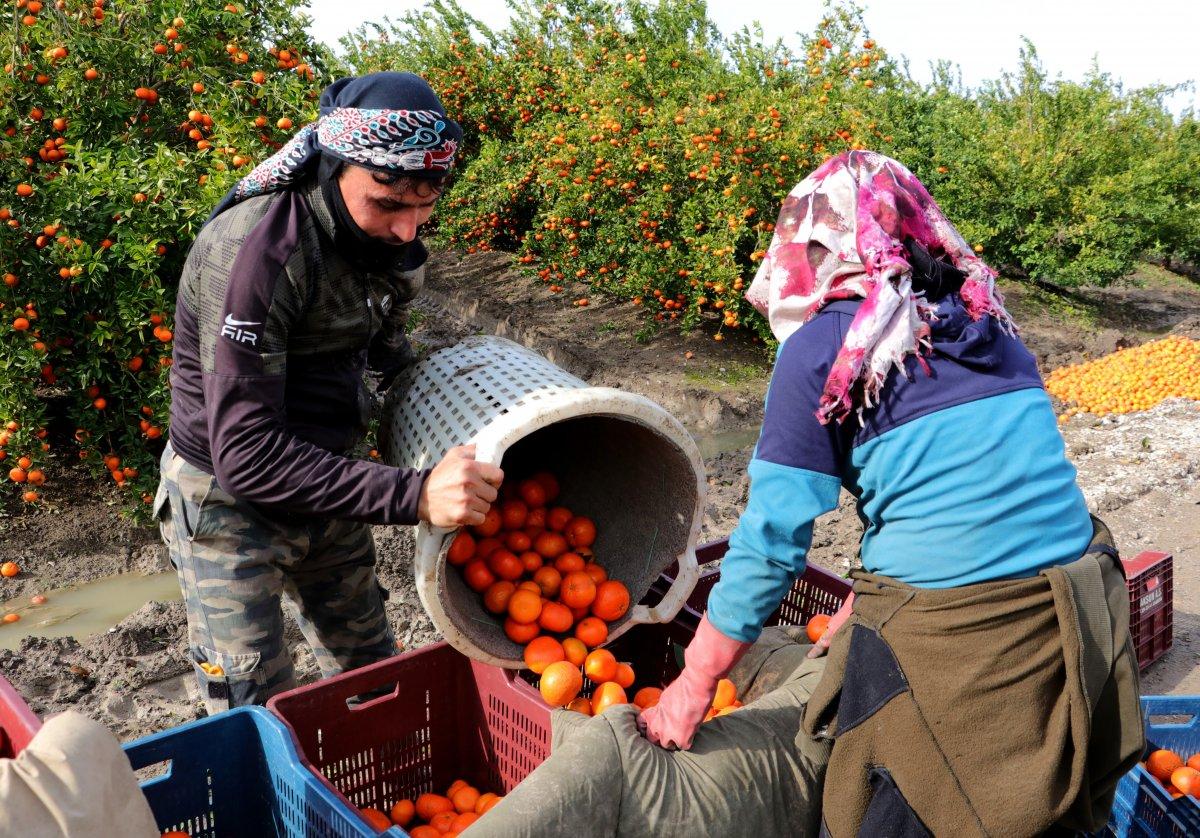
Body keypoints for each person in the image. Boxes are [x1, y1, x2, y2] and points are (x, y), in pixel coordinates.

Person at [640, 150, 1143, 836]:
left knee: (892, 790)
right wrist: (875, 585)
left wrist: (691, 687)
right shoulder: (989, 322)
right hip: (1079, 612)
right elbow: (978, 486)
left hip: (965, 635)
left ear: (808, 245)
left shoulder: (821, 350)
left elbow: (768, 548)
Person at [153, 72, 503, 714]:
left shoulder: (390, 246)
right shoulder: (258, 255)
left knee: (373, 676)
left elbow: (386, 353)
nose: (408, 228)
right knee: (253, 704)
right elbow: (248, 454)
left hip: (325, 481)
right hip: (229, 508)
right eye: (389, 204)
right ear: (335, 167)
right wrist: (415, 494)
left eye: (425, 204)